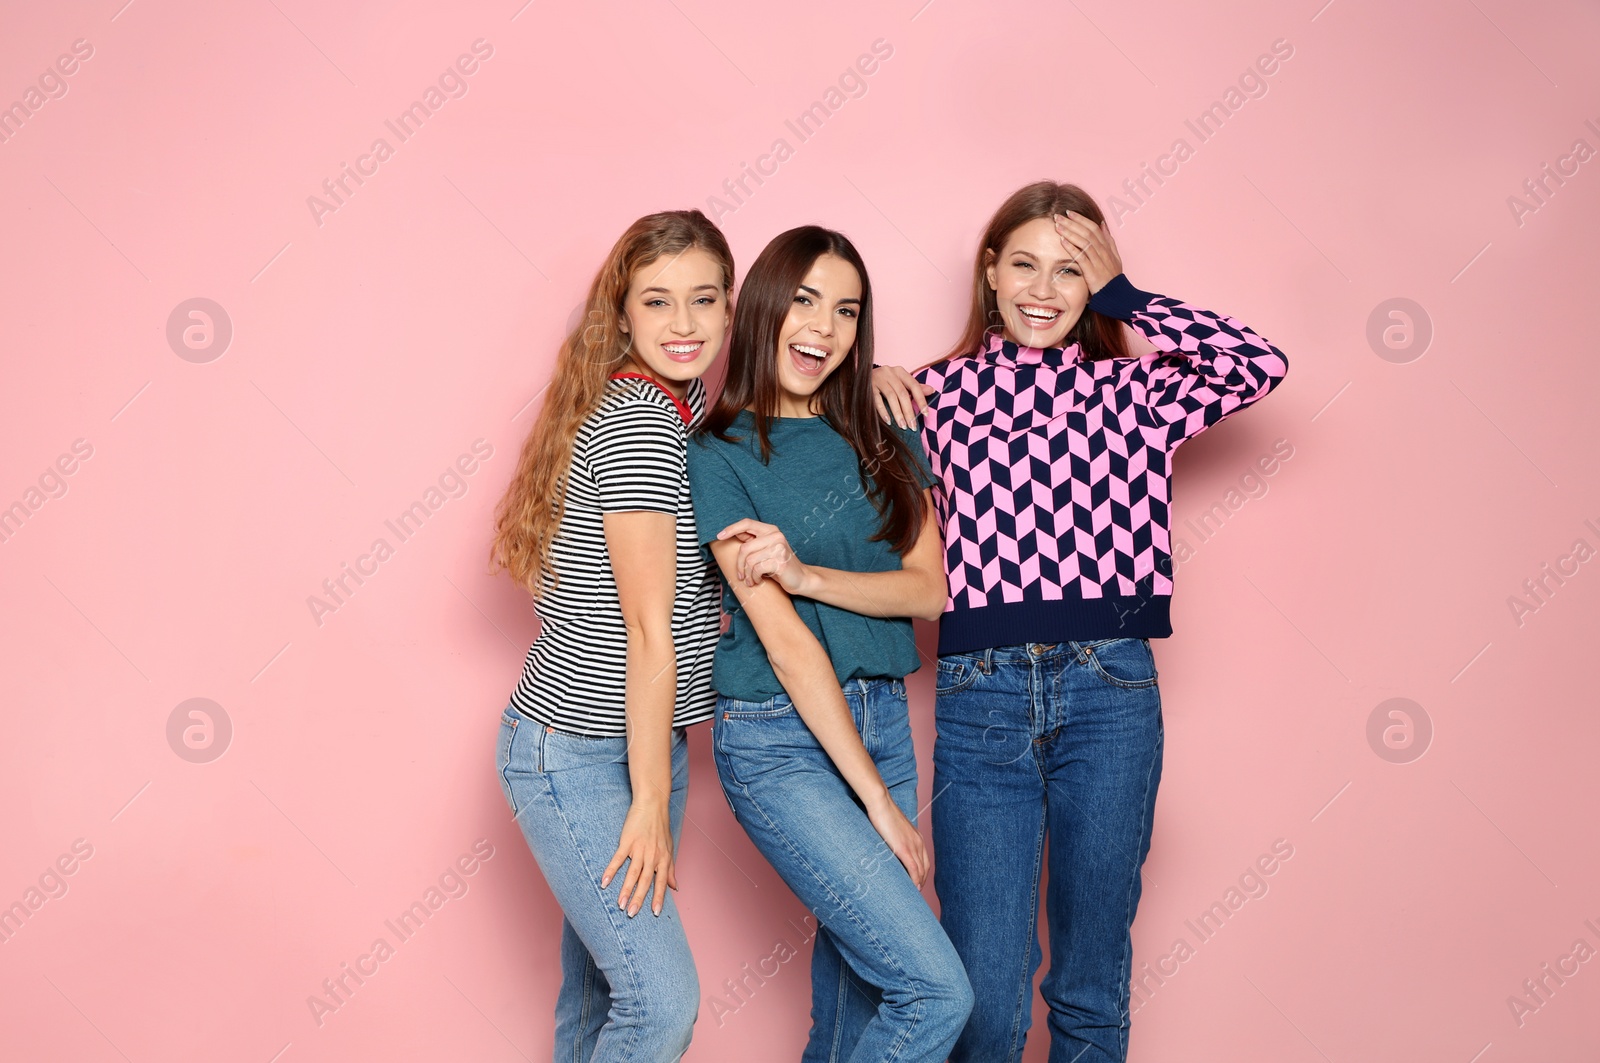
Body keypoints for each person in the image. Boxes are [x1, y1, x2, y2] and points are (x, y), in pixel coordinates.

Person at [874, 181, 1289, 1062]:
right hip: (980, 700)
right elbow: (811, 417)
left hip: (1111, 691)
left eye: (1071, 271)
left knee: (1090, 984)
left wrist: (1128, 298)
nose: (1043, 288)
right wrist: (867, 377)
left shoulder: (1139, 393)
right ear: (990, 274)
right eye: (1024, 262)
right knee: (985, 997)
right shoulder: (931, 395)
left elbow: (1259, 364)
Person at [685, 224, 973, 1062]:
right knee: (934, 990)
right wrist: (880, 801)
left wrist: (806, 575)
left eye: (847, 310)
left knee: (857, 1002)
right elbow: (786, 646)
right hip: (778, 737)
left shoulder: (882, 430)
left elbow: (930, 588)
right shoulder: (716, 453)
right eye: (806, 300)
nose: (824, 327)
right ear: (765, 306)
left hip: (882, 717)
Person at [488, 209, 732, 1062]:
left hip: (631, 737)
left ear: (732, 309)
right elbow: (648, 631)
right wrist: (653, 805)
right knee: (659, 1004)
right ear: (622, 313)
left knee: (599, 1000)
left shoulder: (678, 402)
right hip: (579, 751)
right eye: (658, 302)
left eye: (705, 300)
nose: (685, 324)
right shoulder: (641, 419)